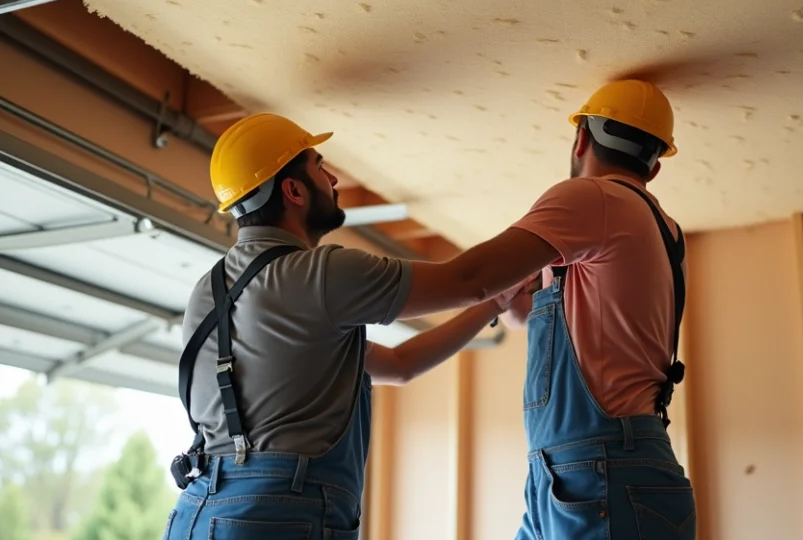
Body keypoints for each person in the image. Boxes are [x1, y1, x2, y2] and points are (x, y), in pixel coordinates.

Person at [163, 112, 552, 540]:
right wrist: (557, 233)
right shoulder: (322, 274)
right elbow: (464, 280)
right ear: (293, 190)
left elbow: (401, 364)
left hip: (197, 515)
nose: (332, 180)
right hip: (276, 516)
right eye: (319, 166)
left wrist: (497, 301)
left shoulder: (208, 292)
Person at [497, 79, 697, 539]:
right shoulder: (665, 232)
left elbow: (472, 279)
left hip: (600, 470)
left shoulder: (590, 198)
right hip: (573, 473)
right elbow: (529, 317)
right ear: (655, 166)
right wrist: (516, 294)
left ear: (581, 138)